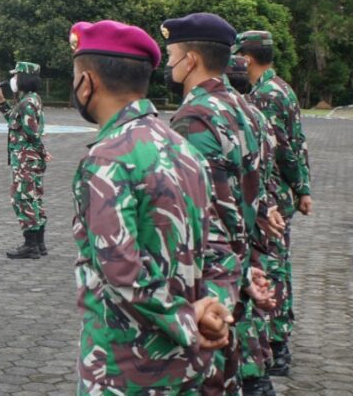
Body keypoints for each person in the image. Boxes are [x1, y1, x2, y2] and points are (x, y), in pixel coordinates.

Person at [67, 20, 232, 394]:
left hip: (122, 368)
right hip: (186, 366)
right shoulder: (183, 148)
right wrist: (215, 311)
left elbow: (121, 271)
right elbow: (220, 246)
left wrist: (188, 320)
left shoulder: (107, 160)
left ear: (87, 82)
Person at [161, 12, 271, 395]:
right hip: (239, 267)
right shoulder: (247, 110)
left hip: (210, 282)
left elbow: (196, 212)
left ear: (189, 60)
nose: (167, 62)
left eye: (170, 53)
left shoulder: (193, 120)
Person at [234, 31, 314, 378]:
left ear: (248, 58)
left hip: (273, 199)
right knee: (276, 266)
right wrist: (303, 187)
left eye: (238, 56)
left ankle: (278, 346)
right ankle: (276, 342)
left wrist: (300, 187)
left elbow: (283, 149)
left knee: (273, 270)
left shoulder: (265, 96)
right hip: (280, 195)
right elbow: (299, 143)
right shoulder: (281, 87)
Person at [0, 62, 48, 259]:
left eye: (16, 75)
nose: (13, 80)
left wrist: (41, 150)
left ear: (24, 78)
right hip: (28, 156)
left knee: (22, 197)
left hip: (26, 157)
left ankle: (30, 244)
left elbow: (32, 132)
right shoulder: (28, 100)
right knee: (33, 196)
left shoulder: (28, 102)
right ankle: (39, 243)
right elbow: (16, 123)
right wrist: (1, 102)